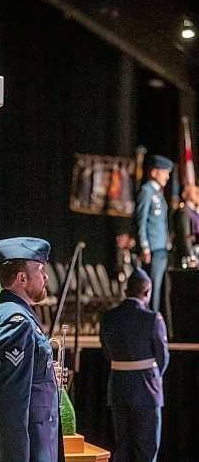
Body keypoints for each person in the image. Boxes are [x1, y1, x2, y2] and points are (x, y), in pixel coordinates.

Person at [0, 237, 65, 462]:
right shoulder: (17, 322)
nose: (45, 277)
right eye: (40, 270)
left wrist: (41, 377)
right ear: (22, 278)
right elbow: (12, 404)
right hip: (27, 448)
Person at [100, 267, 170, 462]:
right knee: (147, 450)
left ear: (125, 291)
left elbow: (107, 352)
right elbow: (163, 356)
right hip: (147, 391)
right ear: (147, 292)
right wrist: (155, 376)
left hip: (118, 388)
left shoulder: (108, 318)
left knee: (122, 447)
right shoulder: (153, 319)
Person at [135, 154, 173, 311]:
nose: (168, 176)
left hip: (162, 248)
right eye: (165, 172)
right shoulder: (147, 191)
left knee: (160, 289)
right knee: (152, 289)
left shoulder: (158, 193)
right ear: (154, 172)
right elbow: (141, 221)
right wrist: (144, 246)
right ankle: (151, 322)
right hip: (153, 248)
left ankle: (156, 320)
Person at [173, 184, 199, 266]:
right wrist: (190, 255)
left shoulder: (193, 211)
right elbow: (185, 235)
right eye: (196, 193)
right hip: (191, 253)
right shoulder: (184, 212)